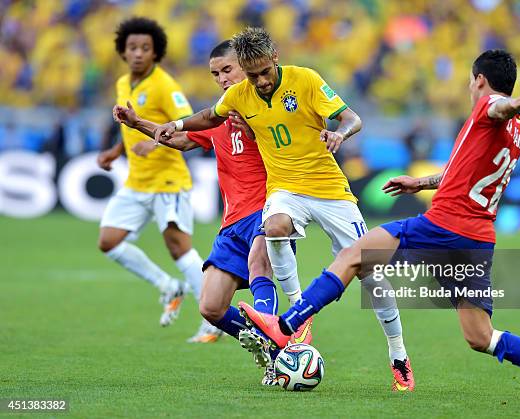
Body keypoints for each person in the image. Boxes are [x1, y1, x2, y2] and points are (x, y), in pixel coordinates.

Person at [239, 49, 520, 410]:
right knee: (481, 336)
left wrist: (512, 103)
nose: (472, 89)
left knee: (354, 256)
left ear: (480, 81)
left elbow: (496, 108)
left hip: (443, 226)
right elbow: (461, 172)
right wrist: (421, 183)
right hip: (478, 239)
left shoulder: (490, 109)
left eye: (472, 82)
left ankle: (285, 327)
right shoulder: (516, 135)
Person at [152, 27, 412, 392]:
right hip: (285, 189)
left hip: (329, 190)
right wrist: (174, 125)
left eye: (263, 72)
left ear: (275, 57)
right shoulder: (240, 95)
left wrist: (341, 134)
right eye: (251, 74)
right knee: (273, 226)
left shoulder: (305, 80)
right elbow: (210, 117)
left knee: (369, 272)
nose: (259, 81)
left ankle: (398, 353)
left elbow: (352, 117)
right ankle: (296, 314)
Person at [114, 40, 291, 385]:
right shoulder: (218, 115)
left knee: (259, 264)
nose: (222, 79)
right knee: (210, 307)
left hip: (269, 210)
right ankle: (276, 349)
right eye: (215, 74)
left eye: (228, 70)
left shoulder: (268, 106)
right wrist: (138, 123)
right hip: (232, 222)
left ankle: (275, 351)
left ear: (246, 66)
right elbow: (182, 139)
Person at [96, 17, 220, 340]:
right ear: (122, 51)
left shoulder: (166, 85)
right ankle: (167, 285)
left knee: (179, 248)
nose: (138, 53)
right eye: (132, 47)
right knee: (108, 241)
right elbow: (129, 128)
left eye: (145, 48)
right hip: (137, 182)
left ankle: (212, 320)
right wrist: (115, 151)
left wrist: (154, 142)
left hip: (168, 180)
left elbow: (189, 124)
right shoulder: (124, 83)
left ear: (156, 53)